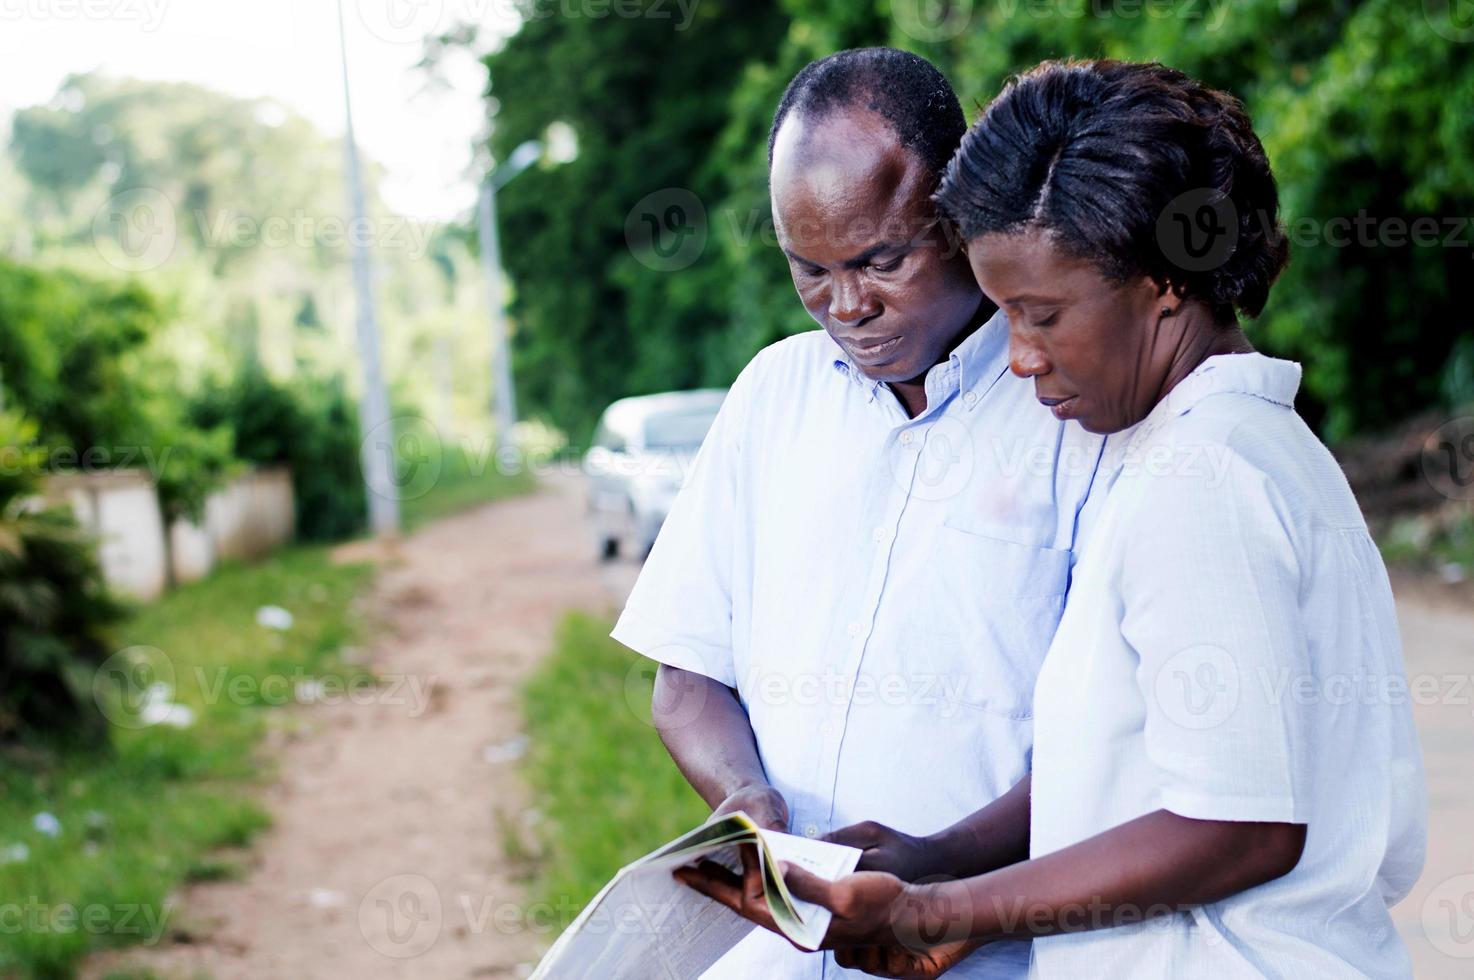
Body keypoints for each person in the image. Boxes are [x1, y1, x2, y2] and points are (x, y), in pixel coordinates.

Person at [677, 59, 1428, 979]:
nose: (1021, 362)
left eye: (1040, 316)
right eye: (1007, 318)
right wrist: (941, 872)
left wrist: (936, 907)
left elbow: (1243, 824)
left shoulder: (1204, 475)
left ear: (1160, 279)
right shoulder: (1202, 448)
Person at [611, 48, 1106, 978]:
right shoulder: (772, 398)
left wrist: (939, 878)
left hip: (989, 960)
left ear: (958, 215)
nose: (846, 306)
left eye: (882, 260)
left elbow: (1121, 748)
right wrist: (742, 795)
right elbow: (688, 683)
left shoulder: (1073, 400)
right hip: (779, 956)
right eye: (810, 269)